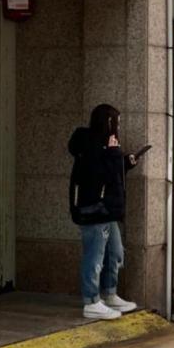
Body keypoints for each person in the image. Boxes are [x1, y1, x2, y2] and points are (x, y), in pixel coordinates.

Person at [68, 104, 143, 320]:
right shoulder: (89, 144)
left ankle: (109, 293)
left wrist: (125, 161)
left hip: (107, 210)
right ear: (108, 122)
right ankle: (91, 301)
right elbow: (97, 175)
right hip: (94, 209)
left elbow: (111, 172)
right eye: (116, 122)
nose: (118, 127)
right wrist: (113, 153)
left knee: (116, 252)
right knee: (95, 256)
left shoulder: (103, 145)